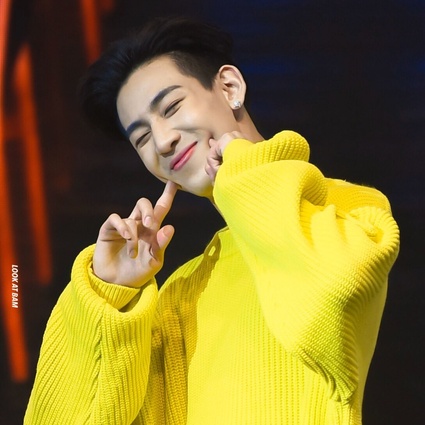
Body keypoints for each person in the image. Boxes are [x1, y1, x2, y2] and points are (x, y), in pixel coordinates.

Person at [24, 16, 400, 425]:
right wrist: (109, 293)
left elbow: (331, 293)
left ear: (229, 87)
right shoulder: (182, 293)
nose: (162, 141)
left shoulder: (345, 210)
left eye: (171, 107)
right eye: (142, 138)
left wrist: (245, 168)